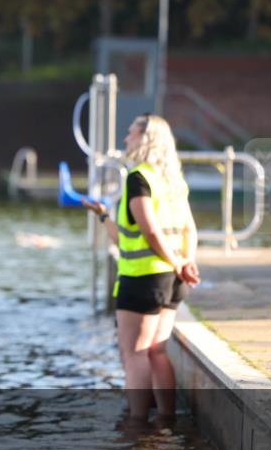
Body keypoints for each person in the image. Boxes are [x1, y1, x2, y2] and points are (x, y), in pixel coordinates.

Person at [83, 114, 201, 421]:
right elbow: (187, 230)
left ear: (146, 139)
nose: (126, 139)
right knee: (156, 351)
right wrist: (185, 262)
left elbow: (150, 231)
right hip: (172, 280)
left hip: (144, 279)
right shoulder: (173, 182)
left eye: (131, 133)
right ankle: (166, 419)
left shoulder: (139, 178)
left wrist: (176, 263)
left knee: (134, 354)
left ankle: (136, 427)